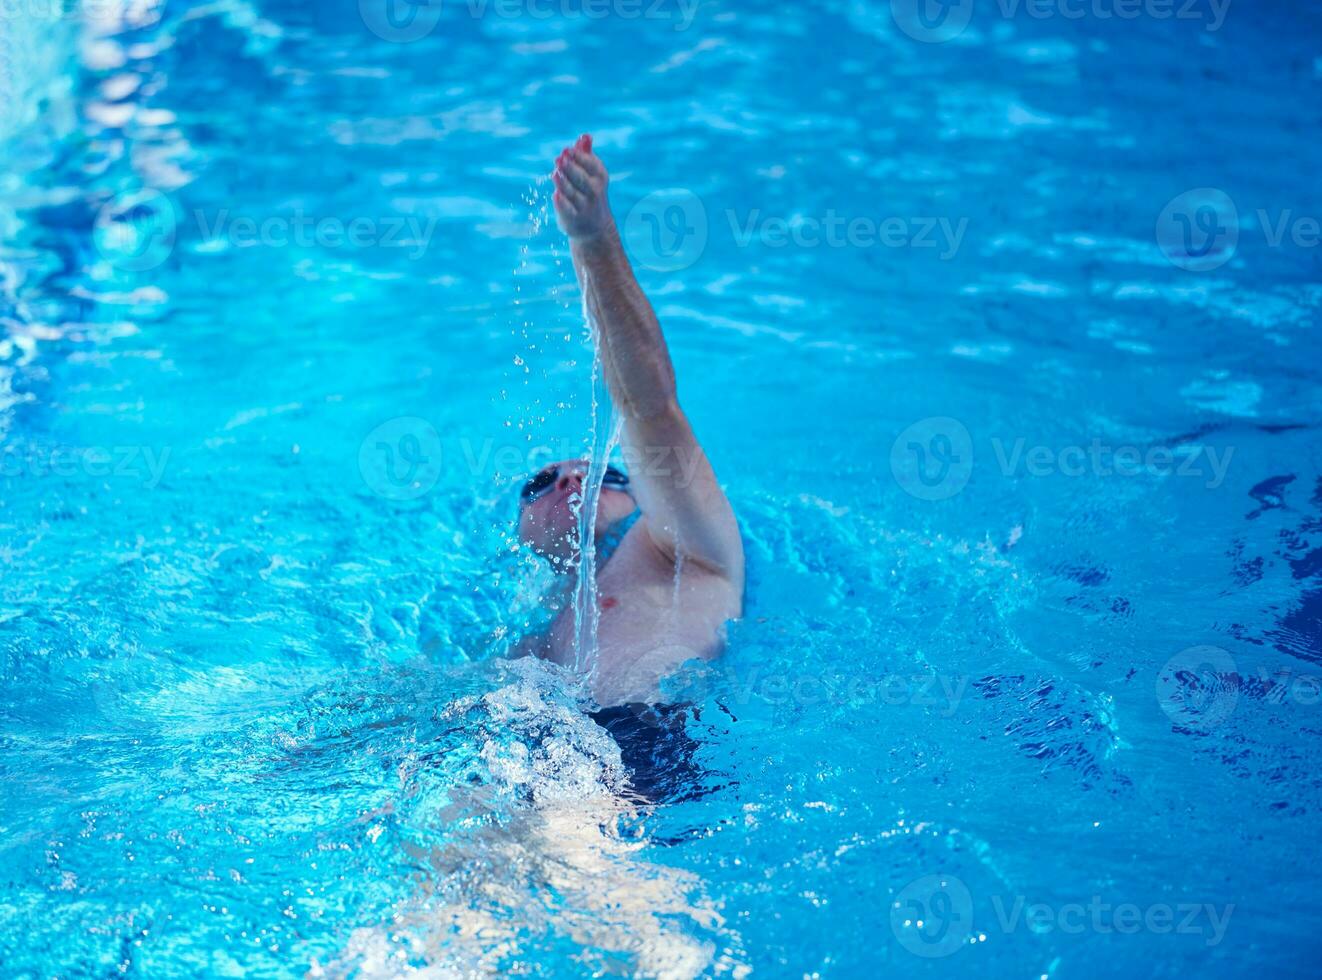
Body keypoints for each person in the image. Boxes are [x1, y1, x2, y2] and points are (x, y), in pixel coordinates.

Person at [514, 133, 744, 710]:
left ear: (645, 491)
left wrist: (594, 240)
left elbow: (651, 408)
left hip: (641, 744)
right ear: (520, 531)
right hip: (545, 747)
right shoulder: (537, 640)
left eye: (602, 476)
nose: (569, 481)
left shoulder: (680, 548)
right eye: (541, 482)